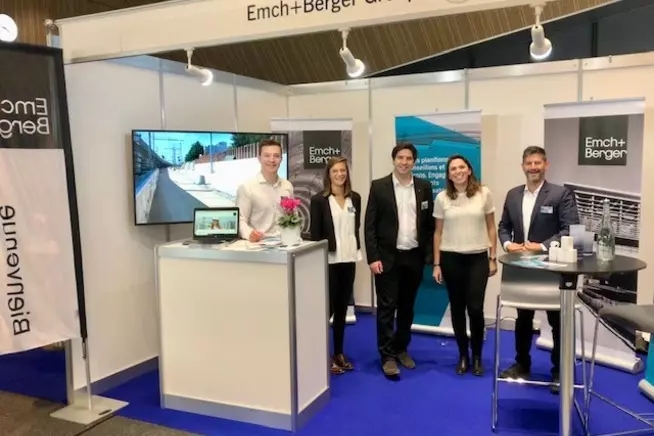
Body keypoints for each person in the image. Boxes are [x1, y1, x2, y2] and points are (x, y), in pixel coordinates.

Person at [497, 145, 580, 393]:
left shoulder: (560, 194)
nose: (533, 167)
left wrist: (542, 246)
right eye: (529, 163)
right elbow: (503, 227)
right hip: (522, 267)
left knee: (557, 322)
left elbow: (571, 229)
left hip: (553, 268)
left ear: (546, 165)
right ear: (523, 166)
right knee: (523, 319)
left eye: (537, 163)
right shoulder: (513, 195)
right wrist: (508, 244)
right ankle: (522, 364)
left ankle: (559, 371)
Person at [364, 142, 434, 377]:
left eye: (408, 158)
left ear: (414, 162)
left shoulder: (424, 187)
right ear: (394, 160)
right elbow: (370, 225)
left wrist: (428, 256)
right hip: (386, 259)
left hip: (413, 257)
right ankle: (387, 356)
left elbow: (429, 224)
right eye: (400, 158)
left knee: (407, 308)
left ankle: (401, 348)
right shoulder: (379, 186)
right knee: (386, 309)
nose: (404, 162)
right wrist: (373, 257)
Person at [432, 154, 497, 376]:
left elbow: (491, 227)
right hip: (451, 259)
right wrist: (437, 264)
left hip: (477, 258)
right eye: (453, 169)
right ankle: (463, 355)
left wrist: (492, 257)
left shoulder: (484, 193)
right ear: (449, 175)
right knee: (457, 309)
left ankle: (477, 356)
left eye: (461, 167)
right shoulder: (442, 198)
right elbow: (438, 233)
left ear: (469, 170)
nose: (458, 171)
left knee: (475, 309)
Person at [309, 157, 362, 375]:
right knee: (326, 311)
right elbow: (315, 235)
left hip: (349, 259)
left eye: (343, 170)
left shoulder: (355, 198)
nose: (340, 174)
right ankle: (321, 356)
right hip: (329, 262)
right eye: (335, 171)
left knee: (341, 311)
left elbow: (355, 228)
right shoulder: (319, 200)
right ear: (328, 175)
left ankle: (338, 353)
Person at [235, 139, 293, 242]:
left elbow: (292, 216)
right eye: (267, 155)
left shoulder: (287, 186)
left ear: (281, 159)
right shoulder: (247, 187)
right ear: (259, 158)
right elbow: (240, 220)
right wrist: (249, 234)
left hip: (285, 243)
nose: (272, 160)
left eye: (276, 156)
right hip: (259, 245)